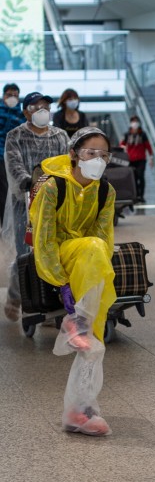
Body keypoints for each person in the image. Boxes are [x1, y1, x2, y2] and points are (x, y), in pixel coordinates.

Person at [31, 127, 117, 436]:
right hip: (63, 258)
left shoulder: (105, 191)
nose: (98, 159)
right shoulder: (53, 186)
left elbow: (105, 237)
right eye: (90, 153)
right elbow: (43, 240)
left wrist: (96, 272)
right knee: (92, 248)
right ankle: (77, 321)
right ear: (73, 155)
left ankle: (80, 410)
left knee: (94, 343)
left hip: (91, 267)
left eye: (104, 154)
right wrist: (61, 282)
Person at [3, 93, 70, 321]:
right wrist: (30, 183)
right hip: (25, 202)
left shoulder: (61, 136)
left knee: (54, 250)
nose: (42, 110)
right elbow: (13, 165)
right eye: (36, 106)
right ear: (25, 112)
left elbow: (68, 164)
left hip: (56, 202)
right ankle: (15, 294)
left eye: (45, 106)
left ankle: (51, 304)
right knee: (26, 252)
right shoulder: (16, 136)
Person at [0, 82, 21, 226]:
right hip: (0, 155)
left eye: (15, 95)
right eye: (9, 95)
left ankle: (8, 222)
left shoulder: (21, 114)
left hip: (14, 158)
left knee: (8, 190)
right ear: (3, 96)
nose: (12, 98)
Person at [120, 116, 153, 201]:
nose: (134, 124)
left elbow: (148, 146)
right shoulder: (127, 134)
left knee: (140, 176)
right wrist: (124, 148)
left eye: (136, 121)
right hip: (130, 160)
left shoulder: (143, 134)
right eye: (133, 122)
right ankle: (135, 195)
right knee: (133, 178)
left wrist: (151, 158)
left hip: (141, 159)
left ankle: (141, 195)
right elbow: (121, 144)